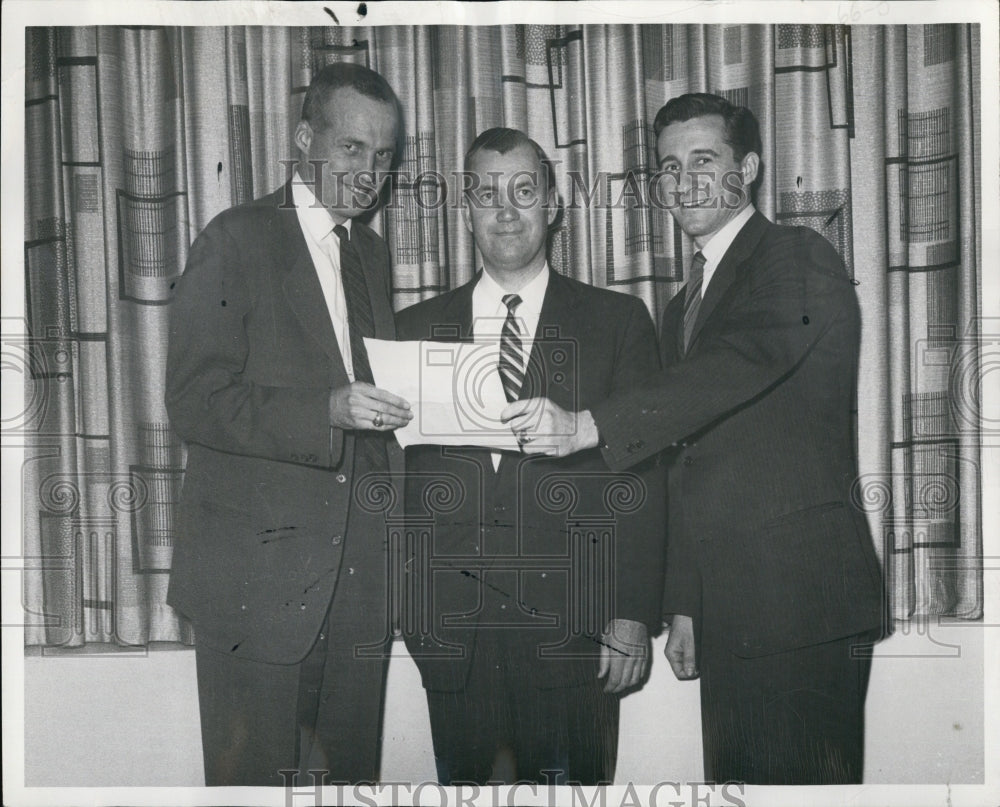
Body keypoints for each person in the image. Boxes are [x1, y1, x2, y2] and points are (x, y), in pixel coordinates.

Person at [504, 94, 885, 785]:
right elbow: (687, 458)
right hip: (732, 609)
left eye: (703, 162)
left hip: (801, 600)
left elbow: (738, 365)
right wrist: (684, 599)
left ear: (751, 167)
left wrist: (590, 423)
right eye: (668, 167)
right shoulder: (683, 304)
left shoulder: (796, 256)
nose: (682, 183)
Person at [165, 62, 413, 786]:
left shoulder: (370, 252)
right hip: (255, 588)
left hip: (358, 591)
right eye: (352, 149)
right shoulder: (234, 238)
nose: (371, 172)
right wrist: (325, 410)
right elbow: (193, 398)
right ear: (305, 139)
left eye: (386, 156)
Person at [395, 128, 666, 785]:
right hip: (454, 641)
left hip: (575, 635)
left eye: (523, 190)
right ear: (465, 210)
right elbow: (398, 486)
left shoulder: (618, 322)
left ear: (553, 203)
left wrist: (632, 610)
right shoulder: (410, 331)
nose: (506, 210)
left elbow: (647, 476)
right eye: (487, 194)